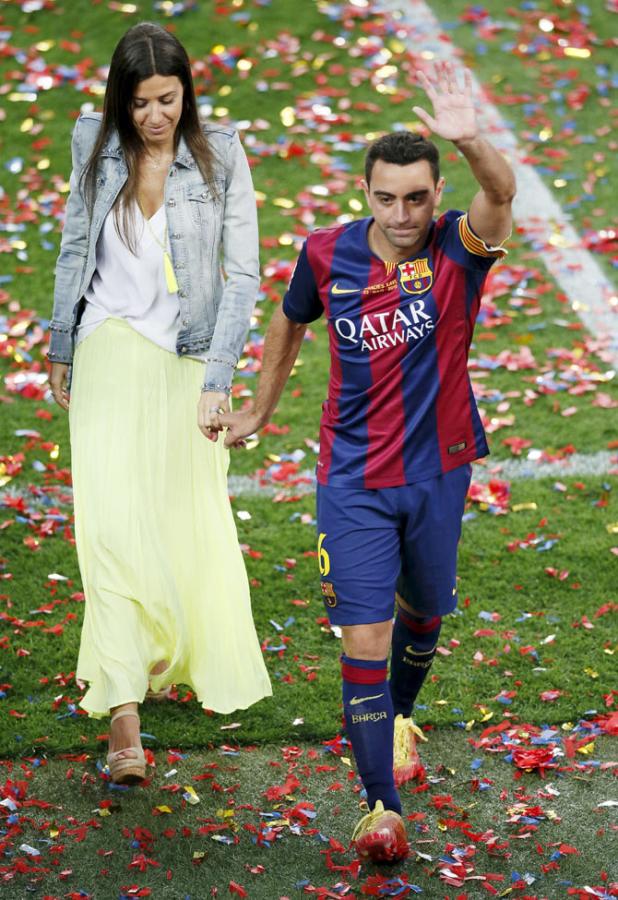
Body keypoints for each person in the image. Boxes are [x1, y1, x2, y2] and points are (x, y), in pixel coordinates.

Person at [219, 60, 515, 861]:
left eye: (417, 196)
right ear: (366, 194)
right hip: (350, 480)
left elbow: (502, 195)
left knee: (426, 613)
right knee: (365, 637)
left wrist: (472, 139)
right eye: (386, 197)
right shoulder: (326, 256)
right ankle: (379, 805)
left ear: (434, 190)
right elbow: (289, 321)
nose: (403, 212)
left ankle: (405, 715)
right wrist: (259, 408)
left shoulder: (459, 247)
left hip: (438, 471)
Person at [48, 22, 271, 786]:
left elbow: (243, 275)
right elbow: (74, 247)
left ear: (187, 94)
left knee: (178, 523)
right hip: (108, 346)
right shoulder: (93, 143)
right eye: (140, 101)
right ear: (121, 99)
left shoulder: (222, 156)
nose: (154, 116)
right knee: (108, 527)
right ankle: (122, 720)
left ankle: (160, 653)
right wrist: (60, 347)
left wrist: (218, 377)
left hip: (185, 360)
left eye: (167, 99)